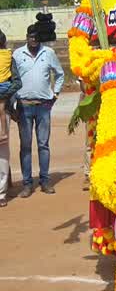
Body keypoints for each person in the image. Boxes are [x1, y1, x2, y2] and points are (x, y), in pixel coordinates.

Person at [13, 25, 64, 197]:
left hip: (44, 106)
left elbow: (60, 74)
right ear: (26, 37)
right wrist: (13, 102)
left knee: (43, 145)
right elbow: (11, 78)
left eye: (36, 37)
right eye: (31, 36)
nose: (33, 39)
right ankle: (27, 184)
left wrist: (55, 94)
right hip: (24, 106)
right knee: (26, 146)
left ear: (40, 38)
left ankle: (45, 181)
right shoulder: (17, 54)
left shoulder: (48, 53)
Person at [0, 30, 22, 207]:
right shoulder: (8, 57)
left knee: (2, 149)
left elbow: (17, 82)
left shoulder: (9, 61)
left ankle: (1, 193)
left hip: (3, 108)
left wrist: (3, 98)